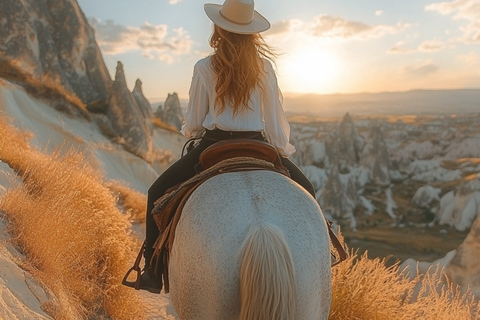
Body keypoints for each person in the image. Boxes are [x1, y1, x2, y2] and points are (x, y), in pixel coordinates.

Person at [136, 0, 316, 293]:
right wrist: (280, 152)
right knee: (307, 190)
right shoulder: (265, 68)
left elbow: (194, 122)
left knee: (156, 193)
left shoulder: (205, 66)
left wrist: (191, 132)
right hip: (259, 143)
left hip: (215, 143)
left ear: (219, 27)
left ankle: (152, 272)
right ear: (251, 32)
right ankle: (320, 263)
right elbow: (274, 122)